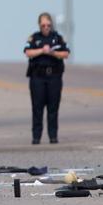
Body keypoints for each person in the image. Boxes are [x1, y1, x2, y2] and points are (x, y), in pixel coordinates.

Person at [24, 11, 69, 144]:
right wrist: (42, 51)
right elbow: (27, 52)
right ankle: (36, 136)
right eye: (43, 25)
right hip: (37, 77)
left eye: (48, 25)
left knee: (53, 108)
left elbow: (65, 53)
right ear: (39, 25)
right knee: (37, 108)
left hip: (54, 76)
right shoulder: (34, 38)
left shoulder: (58, 38)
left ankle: (53, 136)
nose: (46, 28)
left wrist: (52, 52)